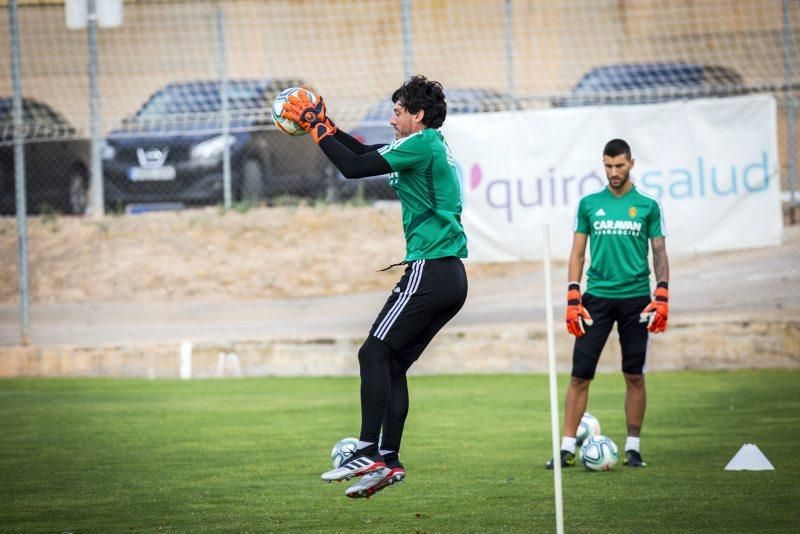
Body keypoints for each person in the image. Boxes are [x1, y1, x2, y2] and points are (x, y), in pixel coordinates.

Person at [281, 76, 468, 498]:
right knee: (392, 363)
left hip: (431, 270)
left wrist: (314, 127)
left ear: (418, 116)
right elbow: (364, 152)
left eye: (398, 111)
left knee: (372, 353)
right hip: (449, 277)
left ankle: (366, 450)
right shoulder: (426, 144)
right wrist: (325, 123)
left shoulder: (423, 144)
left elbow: (353, 168)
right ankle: (388, 460)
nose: (391, 118)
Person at [546, 138, 669, 470]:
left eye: (619, 165)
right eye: (608, 166)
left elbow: (659, 252)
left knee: (634, 376)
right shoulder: (589, 204)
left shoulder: (648, 205)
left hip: (636, 301)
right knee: (579, 375)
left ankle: (633, 447)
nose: (614, 172)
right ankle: (566, 448)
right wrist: (573, 293)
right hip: (596, 298)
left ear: (631, 163)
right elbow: (577, 252)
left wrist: (662, 292)